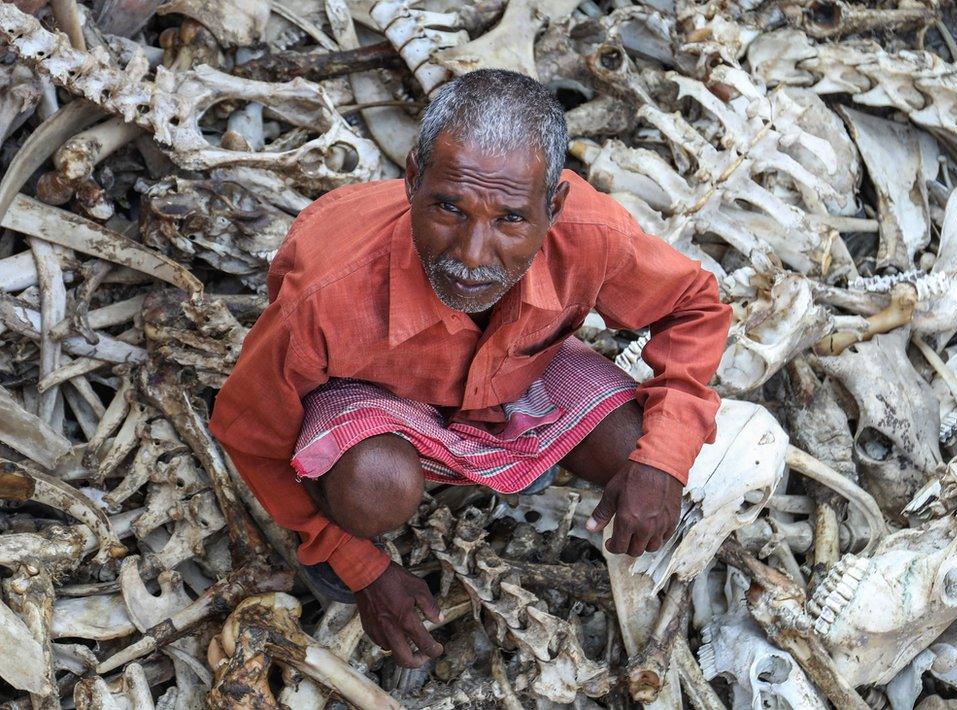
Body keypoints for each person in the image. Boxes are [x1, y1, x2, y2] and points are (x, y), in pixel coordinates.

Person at [209, 69, 732, 669]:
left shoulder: (591, 235)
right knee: (374, 486)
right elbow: (247, 430)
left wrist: (661, 460)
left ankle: (502, 458)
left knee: (643, 448)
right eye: (448, 208)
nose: (471, 256)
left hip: (517, 370)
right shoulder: (329, 294)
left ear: (553, 205)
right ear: (411, 181)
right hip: (373, 395)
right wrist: (361, 565)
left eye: (511, 220)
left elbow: (696, 307)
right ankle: (339, 534)